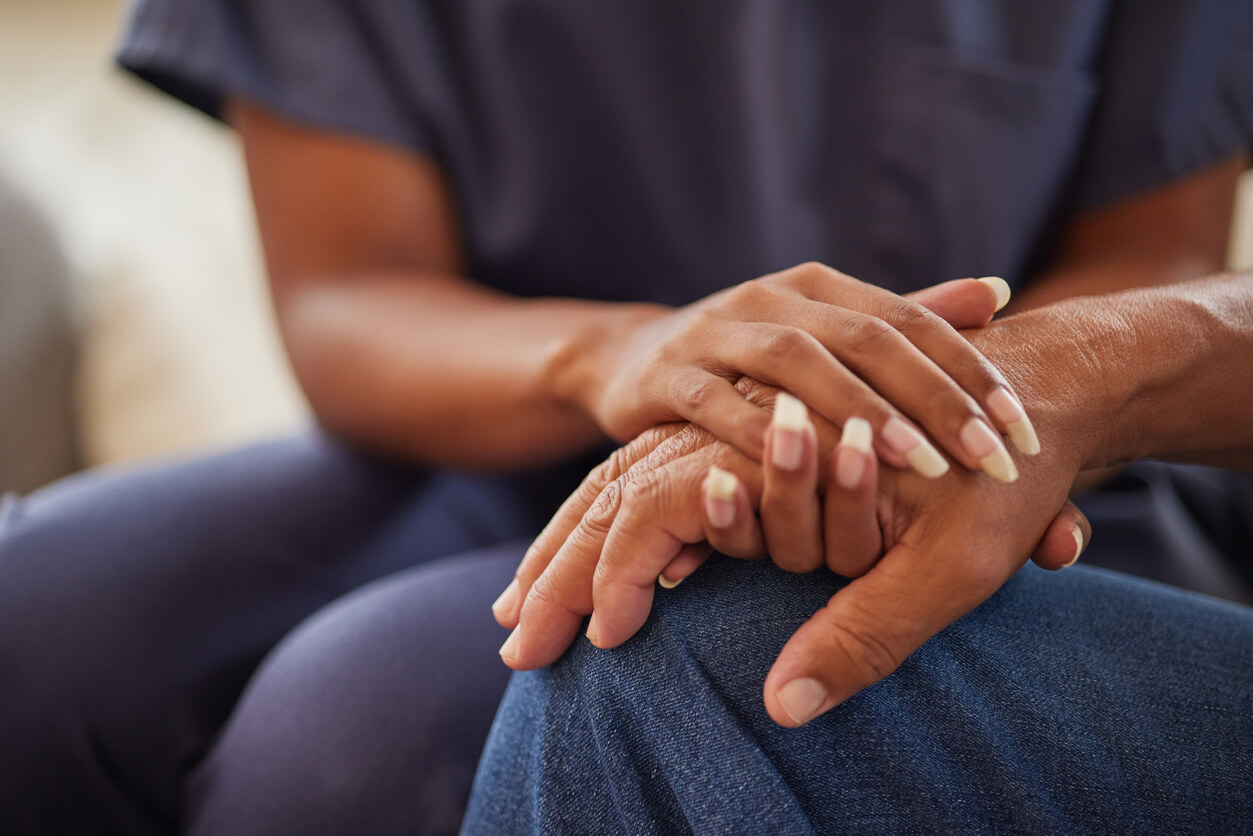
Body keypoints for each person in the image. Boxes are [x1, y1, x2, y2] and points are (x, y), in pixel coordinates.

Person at [1, 1, 1251, 833]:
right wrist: (624, 352)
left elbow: (1139, 277)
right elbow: (346, 290)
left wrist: (866, 421)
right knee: (37, 621)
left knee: (339, 747)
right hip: (495, 416)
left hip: (982, 459)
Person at [466, 271, 1253, 832]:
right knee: (361, 722)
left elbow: (1152, 255)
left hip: (1145, 490)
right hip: (509, 465)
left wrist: (1065, 375)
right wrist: (621, 348)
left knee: (684, 640)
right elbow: (347, 304)